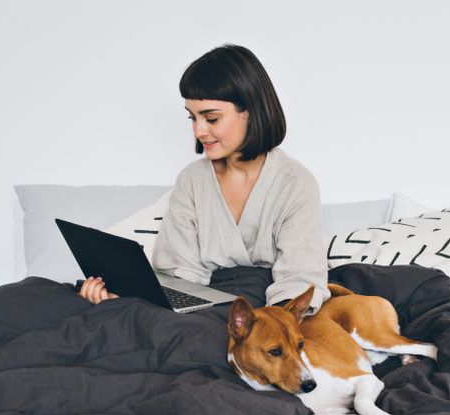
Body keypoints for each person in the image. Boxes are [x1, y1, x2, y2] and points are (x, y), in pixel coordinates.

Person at [79, 44, 330, 314]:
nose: (199, 131)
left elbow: (300, 282)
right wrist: (124, 299)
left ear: (250, 111)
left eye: (211, 118)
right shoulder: (192, 180)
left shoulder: (295, 183)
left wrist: (266, 329)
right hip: (202, 306)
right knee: (43, 296)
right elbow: (179, 275)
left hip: (263, 314)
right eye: (192, 117)